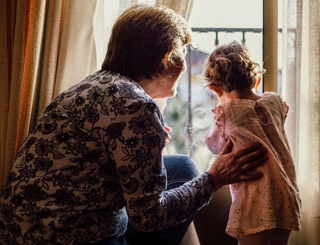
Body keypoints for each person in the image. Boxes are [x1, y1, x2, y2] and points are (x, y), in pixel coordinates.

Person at [0, 6, 268, 245]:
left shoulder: (92, 84)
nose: (185, 64)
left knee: (183, 168)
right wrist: (215, 179)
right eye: (182, 52)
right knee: (192, 179)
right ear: (167, 57)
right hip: (71, 237)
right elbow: (150, 217)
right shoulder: (137, 106)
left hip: (19, 230)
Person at [204, 41, 302, 245]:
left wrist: (220, 116)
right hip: (286, 194)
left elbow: (215, 146)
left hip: (255, 201)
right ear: (256, 81)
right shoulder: (274, 101)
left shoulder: (226, 113)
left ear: (215, 90)